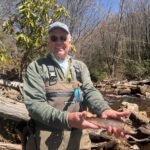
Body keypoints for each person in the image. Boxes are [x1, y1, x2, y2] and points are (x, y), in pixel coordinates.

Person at [23, 21, 129, 150]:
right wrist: (67, 119)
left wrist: (103, 109)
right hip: (45, 141)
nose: (58, 42)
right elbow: (34, 105)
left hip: (79, 140)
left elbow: (90, 91)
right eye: (53, 38)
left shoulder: (80, 67)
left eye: (63, 38)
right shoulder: (36, 67)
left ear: (69, 42)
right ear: (48, 42)